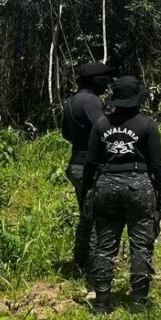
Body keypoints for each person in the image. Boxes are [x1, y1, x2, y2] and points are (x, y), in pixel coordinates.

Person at [81, 76, 161, 314]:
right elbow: (157, 165)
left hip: (106, 185)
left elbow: (90, 163)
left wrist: (87, 192)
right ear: (138, 99)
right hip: (138, 185)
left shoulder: (101, 124)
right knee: (141, 244)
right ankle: (139, 301)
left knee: (105, 244)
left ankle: (101, 301)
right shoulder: (147, 125)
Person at [60, 62, 111, 279]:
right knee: (96, 219)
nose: (107, 84)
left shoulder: (71, 101)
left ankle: (79, 264)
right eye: (105, 80)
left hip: (75, 163)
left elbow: (65, 133)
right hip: (88, 166)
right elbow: (104, 131)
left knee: (86, 216)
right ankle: (94, 270)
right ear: (95, 80)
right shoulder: (91, 101)